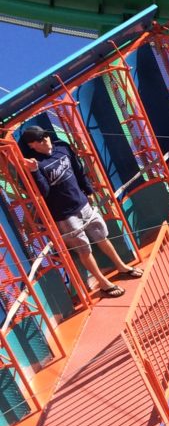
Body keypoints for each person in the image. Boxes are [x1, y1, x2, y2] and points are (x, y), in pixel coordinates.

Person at [19, 125, 141, 299]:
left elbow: (78, 169)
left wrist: (88, 190)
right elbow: (43, 192)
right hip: (65, 215)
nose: (45, 140)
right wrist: (34, 171)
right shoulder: (36, 164)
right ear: (32, 145)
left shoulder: (62, 148)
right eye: (39, 140)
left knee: (102, 237)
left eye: (45, 136)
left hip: (83, 204)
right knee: (84, 250)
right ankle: (103, 283)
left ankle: (122, 267)